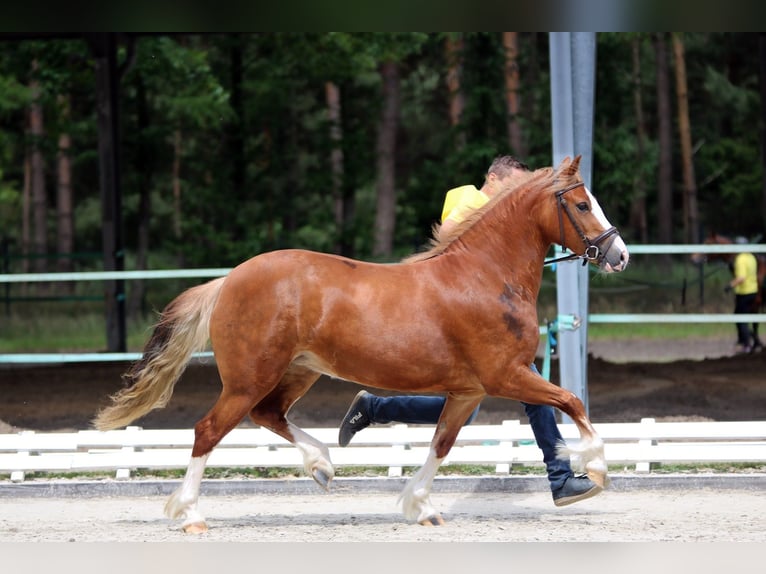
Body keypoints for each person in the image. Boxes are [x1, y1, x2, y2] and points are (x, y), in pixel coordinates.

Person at [338, 155, 602, 507]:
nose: (516, 193)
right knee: (533, 393)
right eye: (511, 185)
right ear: (493, 178)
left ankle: (375, 409)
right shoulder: (467, 196)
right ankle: (561, 478)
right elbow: (449, 235)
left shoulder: (511, 213)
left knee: (476, 407)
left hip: (487, 319)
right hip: (457, 311)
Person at [725, 236, 761, 354]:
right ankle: (751, 340)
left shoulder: (740, 259)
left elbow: (741, 278)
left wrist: (730, 285)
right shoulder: (751, 257)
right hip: (753, 290)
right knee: (744, 317)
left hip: (744, 292)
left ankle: (746, 345)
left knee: (741, 319)